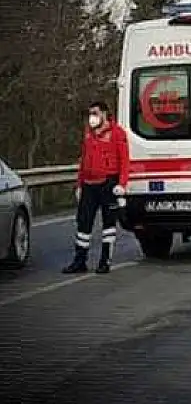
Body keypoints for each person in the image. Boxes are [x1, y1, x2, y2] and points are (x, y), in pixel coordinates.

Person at [64, 101, 131, 274]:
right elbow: (83, 162)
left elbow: (124, 161)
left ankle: (105, 261)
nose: (91, 117)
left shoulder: (117, 133)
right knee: (83, 223)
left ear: (104, 114)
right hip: (89, 184)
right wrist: (80, 184)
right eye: (90, 113)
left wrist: (122, 184)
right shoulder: (89, 135)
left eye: (95, 113)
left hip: (108, 183)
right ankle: (80, 261)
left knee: (109, 224)